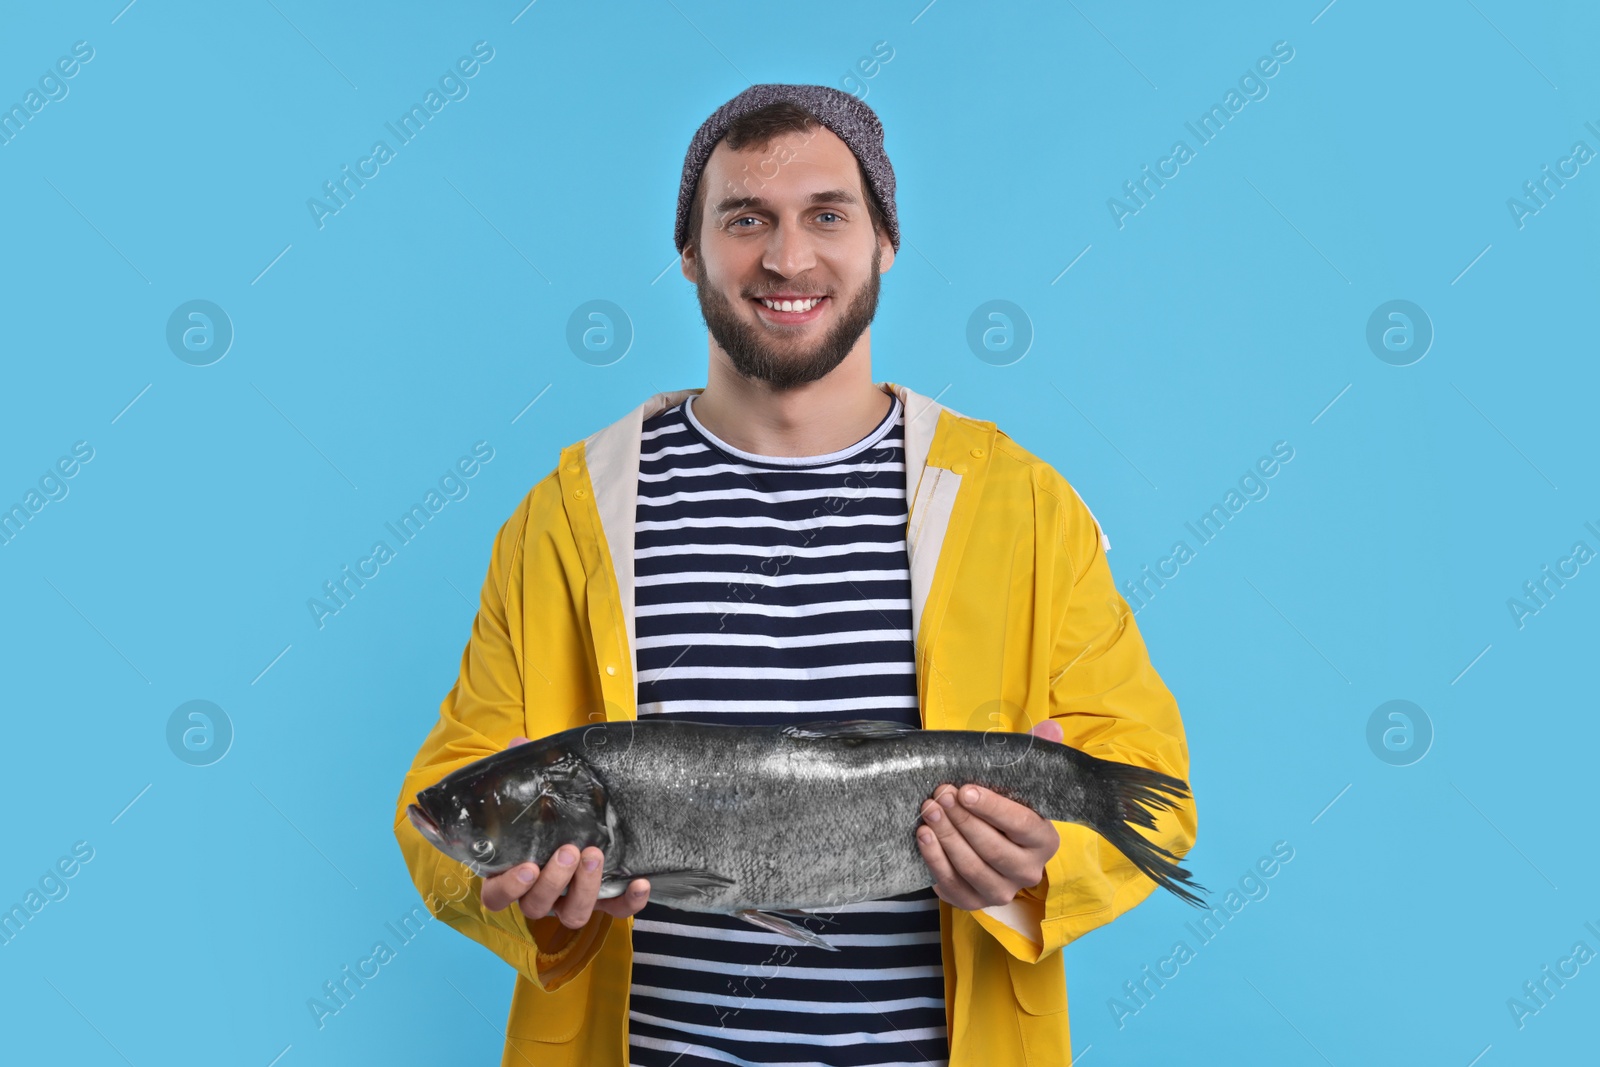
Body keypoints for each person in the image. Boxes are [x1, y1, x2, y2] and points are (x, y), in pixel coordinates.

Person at [393, 83, 1197, 1067]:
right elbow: (438, 807)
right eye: (744, 219)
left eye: (826, 214)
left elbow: (1151, 790)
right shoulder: (565, 518)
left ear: (883, 241)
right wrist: (539, 911)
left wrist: (1041, 865)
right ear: (688, 251)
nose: (786, 256)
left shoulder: (1023, 506)